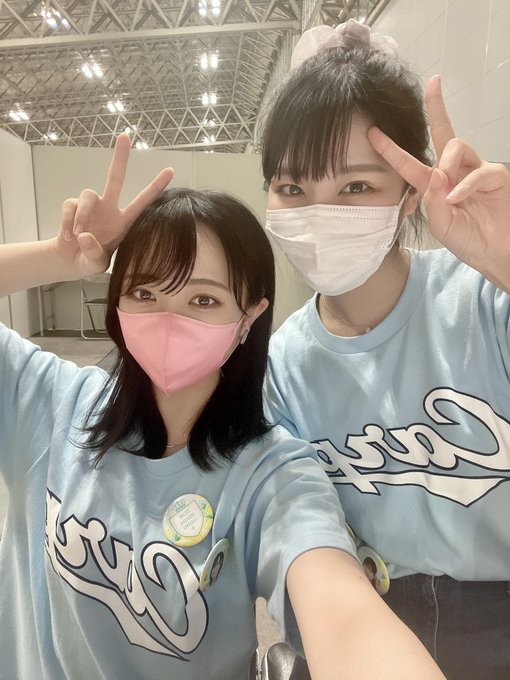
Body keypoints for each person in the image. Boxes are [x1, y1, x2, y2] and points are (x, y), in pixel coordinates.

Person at [0, 134, 445, 680]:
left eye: (203, 300)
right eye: (145, 294)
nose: (169, 320)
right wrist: (59, 258)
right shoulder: (50, 402)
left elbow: (345, 614)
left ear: (248, 317)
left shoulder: (271, 476)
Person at [262, 18, 510, 680]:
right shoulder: (284, 367)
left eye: (355, 187)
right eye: (292, 188)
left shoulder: (486, 302)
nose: (319, 214)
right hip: (367, 609)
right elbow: (302, 535)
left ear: (408, 193)